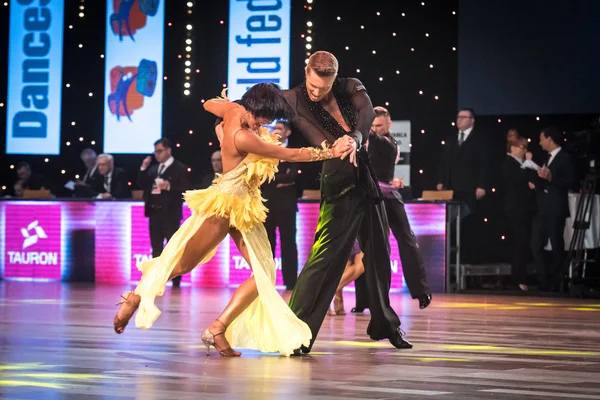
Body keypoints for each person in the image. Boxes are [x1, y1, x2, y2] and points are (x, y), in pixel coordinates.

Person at [113, 83, 348, 357]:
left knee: (265, 273)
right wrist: (330, 152)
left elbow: (208, 104)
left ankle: (218, 328)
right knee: (182, 263)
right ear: (255, 108)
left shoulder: (235, 111)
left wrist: (223, 115)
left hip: (245, 208)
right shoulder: (243, 136)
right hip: (224, 206)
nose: (267, 123)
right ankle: (136, 297)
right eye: (265, 117)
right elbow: (289, 154)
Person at [284, 51, 412, 353]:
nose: (316, 93)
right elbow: (313, 134)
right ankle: (297, 332)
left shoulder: (351, 86)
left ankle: (386, 324)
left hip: (366, 176)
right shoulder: (294, 98)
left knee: (379, 252)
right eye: (313, 86)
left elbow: (367, 114)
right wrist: (337, 144)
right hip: (338, 178)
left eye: (323, 89)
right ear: (306, 72)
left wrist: (354, 137)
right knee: (325, 258)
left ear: (335, 79)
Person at [352, 106, 432, 312]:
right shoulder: (363, 144)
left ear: (389, 125)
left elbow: (376, 141)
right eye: (373, 126)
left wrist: (360, 124)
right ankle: (363, 300)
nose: (376, 129)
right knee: (368, 247)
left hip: (387, 197)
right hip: (369, 197)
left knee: (406, 239)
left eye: (379, 125)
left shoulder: (390, 143)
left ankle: (421, 290)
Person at [138, 138, 191, 288]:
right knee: (156, 247)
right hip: (154, 213)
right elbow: (142, 184)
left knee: (173, 247)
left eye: (160, 151)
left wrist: (169, 186)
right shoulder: (154, 169)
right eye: (155, 152)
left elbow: (186, 189)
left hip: (170, 214)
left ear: (168, 150)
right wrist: (143, 168)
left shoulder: (179, 168)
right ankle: (157, 279)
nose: (157, 155)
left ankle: (176, 280)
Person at [530, 126, 574, 291]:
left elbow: (570, 181)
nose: (540, 142)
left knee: (556, 244)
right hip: (542, 207)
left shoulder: (565, 158)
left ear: (549, 139)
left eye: (541, 138)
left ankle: (556, 281)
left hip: (556, 208)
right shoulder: (545, 158)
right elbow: (545, 181)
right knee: (535, 244)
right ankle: (544, 279)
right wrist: (537, 183)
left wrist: (551, 177)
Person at [262, 120, 299, 291]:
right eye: (274, 128)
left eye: (279, 129)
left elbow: (293, 177)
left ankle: (290, 281)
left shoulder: (293, 152)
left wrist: (277, 179)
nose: (276, 131)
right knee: (267, 243)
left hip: (287, 205)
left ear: (288, 133)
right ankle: (267, 281)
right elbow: (262, 177)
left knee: (289, 243)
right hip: (267, 204)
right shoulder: (265, 150)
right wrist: (280, 179)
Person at [501, 130, 536, 291]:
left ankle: (520, 276)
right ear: (514, 148)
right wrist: (528, 165)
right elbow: (521, 179)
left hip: (523, 208)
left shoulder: (518, 165)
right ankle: (518, 278)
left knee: (522, 243)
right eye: (522, 147)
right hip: (516, 208)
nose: (524, 151)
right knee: (519, 243)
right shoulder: (510, 163)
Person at [327, 241, 364, 316]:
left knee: (344, 265)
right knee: (360, 266)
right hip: (357, 233)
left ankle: (337, 301)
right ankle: (326, 295)